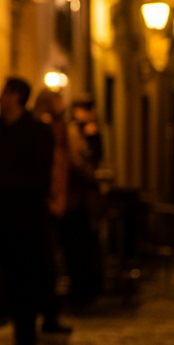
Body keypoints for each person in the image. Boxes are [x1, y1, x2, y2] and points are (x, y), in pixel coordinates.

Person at [0, 77, 70, 345]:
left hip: (27, 223)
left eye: (4, 92)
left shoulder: (36, 132)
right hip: (6, 221)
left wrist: (1, 181)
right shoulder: (3, 129)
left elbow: (37, 181)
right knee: (15, 287)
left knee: (25, 287)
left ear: (15, 96)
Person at [59, 98, 105, 305]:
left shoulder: (88, 131)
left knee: (85, 244)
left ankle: (88, 288)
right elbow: (78, 164)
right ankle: (84, 289)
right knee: (79, 245)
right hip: (75, 198)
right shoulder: (72, 132)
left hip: (82, 199)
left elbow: (96, 155)